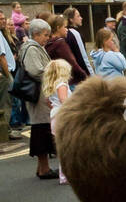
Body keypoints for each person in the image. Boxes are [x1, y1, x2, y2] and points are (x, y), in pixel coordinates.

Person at [17, 18, 59, 178]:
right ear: (35, 34)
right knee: (41, 130)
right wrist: (54, 71)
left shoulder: (33, 47)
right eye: (45, 35)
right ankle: (44, 169)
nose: (48, 38)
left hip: (40, 94)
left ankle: (42, 167)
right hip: (38, 94)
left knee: (41, 129)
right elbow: (35, 71)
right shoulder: (32, 49)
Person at [42, 56, 72, 182]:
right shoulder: (62, 84)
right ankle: (66, 176)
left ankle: (63, 175)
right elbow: (64, 100)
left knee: (61, 148)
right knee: (68, 148)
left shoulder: (51, 85)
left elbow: (48, 102)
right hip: (63, 117)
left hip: (54, 116)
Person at [0, 10, 22, 141]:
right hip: (4, 74)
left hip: (6, 72)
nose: (3, 20)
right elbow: (1, 57)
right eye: (0, 19)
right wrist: (8, 76)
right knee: (6, 103)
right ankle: (5, 131)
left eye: (3, 18)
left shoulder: (2, 34)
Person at [47, 15, 87, 86]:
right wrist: (84, 75)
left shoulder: (48, 42)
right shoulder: (60, 43)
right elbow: (72, 62)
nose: (67, 29)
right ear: (58, 28)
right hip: (67, 81)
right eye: (65, 27)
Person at [63, 7, 93, 79]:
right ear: (71, 19)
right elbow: (83, 57)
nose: (81, 18)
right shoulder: (74, 33)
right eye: (78, 16)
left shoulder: (64, 32)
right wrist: (91, 74)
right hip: (78, 75)